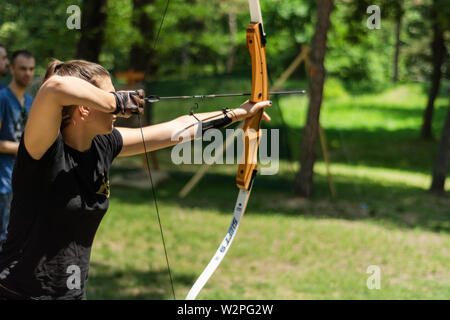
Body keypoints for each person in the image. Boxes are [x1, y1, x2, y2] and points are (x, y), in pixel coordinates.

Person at [0, 59, 271, 300]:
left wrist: (239, 113)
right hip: (17, 291)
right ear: (84, 109)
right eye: (109, 97)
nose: (118, 107)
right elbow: (53, 87)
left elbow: (176, 129)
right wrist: (114, 102)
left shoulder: (104, 144)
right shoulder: (43, 150)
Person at [0, 50, 35, 252]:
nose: (27, 73)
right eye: (22, 68)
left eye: (31, 69)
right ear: (12, 69)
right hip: (3, 181)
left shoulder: (32, 102)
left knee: (21, 238)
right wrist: (25, 148)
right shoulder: (3, 98)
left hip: (24, 179)